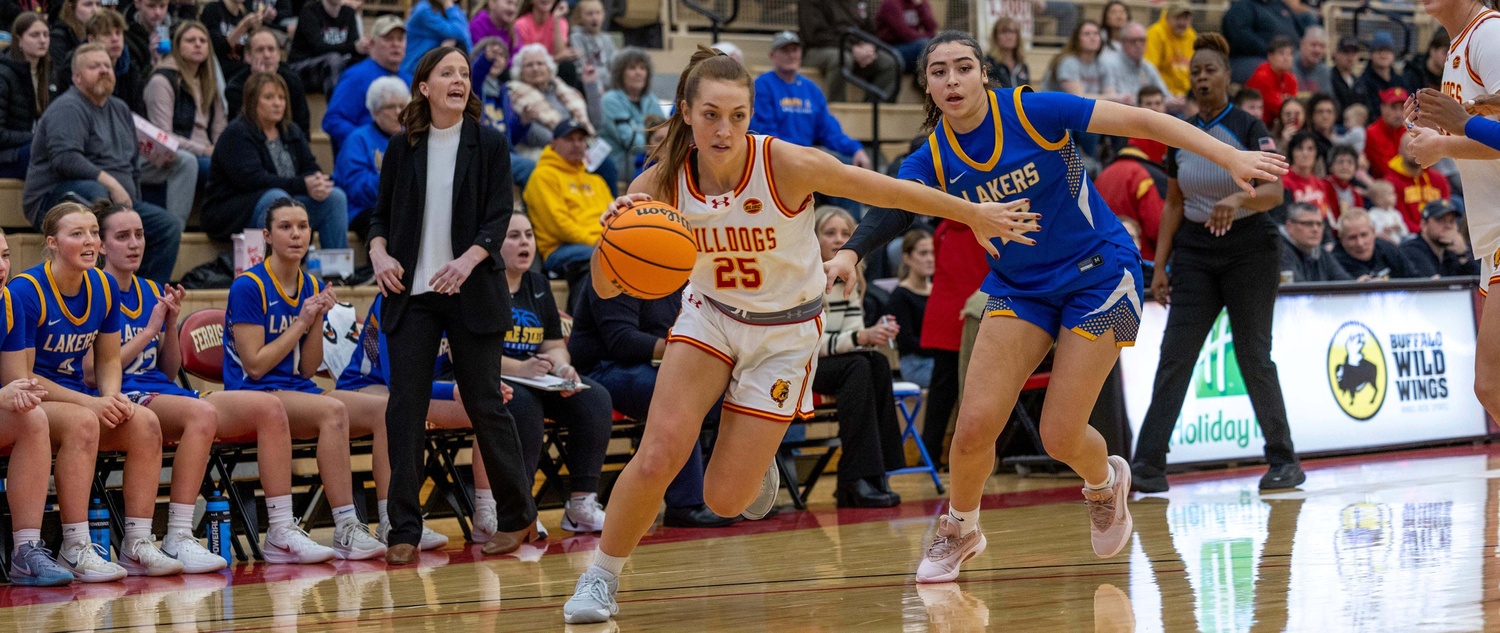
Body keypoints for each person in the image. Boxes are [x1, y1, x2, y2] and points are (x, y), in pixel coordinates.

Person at [562, 45, 1043, 624]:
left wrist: (972, 212)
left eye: (738, 115)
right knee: (660, 450)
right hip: (710, 317)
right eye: (711, 114)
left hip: (785, 335)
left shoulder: (784, 163)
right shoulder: (659, 182)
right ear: (686, 113)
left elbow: (888, 191)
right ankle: (600, 578)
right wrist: (614, 235)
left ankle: (752, 451)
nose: (724, 128)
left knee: (725, 500)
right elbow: (608, 289)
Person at [825, 30, 1287, 583]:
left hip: (1100, 274)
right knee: (973, 427)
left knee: (1060, 435)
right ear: (926, 84)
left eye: (964, 67)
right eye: (940, 71)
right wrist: (852, 253)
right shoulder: (935, 156)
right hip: (1021, 287)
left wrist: (1227, 154)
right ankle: (962, 526)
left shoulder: (1029, 111)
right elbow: (895, 205)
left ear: (983, 76)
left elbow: (1141, 122)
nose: (952, 80)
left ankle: (1103, 482)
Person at [367, 46, 540, 565]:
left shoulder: (488, 143)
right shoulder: (403, 148)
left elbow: (497, 215)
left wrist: (467, 261)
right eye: (448, 73)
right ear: (425, 86)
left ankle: (517, 516)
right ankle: (404, 527)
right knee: (405, 409)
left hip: (472, 291)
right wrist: (378, 253)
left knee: (485, 403)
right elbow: (378, 218)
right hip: (413, 296)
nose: (459, 79)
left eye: (465, 73)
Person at [93, 201, 328, 569]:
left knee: (269, 408)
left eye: (139, 234)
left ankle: (281, 531)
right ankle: (178, 535)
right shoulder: (95, 290)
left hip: (164, 392)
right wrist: (150, 332)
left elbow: (169, 369)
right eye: (122, 236)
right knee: (201, 414)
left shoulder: (151, 288)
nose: (135, 243)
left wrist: (169, 325)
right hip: (121, 397)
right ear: (102, 245)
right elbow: (92, 374)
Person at [1129, 33, 1300, 493]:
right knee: (1174, 356)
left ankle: (1284, 460)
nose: (1202, 77)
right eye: (1196, 71)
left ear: (1227, 75)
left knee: (1253, 356)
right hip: (1196, 254)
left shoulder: (1247, 128)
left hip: (1251, 251)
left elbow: (1273, 192)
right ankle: (1147, 467)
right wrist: (1160, 267)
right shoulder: (1178, 133)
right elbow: (1173, 204)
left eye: (1210, 70)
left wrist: (1234, 201)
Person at [225, 198, 396, 561]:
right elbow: (254, 366)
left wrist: (317, 317)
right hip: (252, 392)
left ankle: (392, 519)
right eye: (286, 227)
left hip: (294, 388)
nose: (296, 234)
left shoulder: (311, 283)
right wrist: (302, 321)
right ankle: (345, 526)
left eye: (302, 226)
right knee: (332, 410)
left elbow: (307, 369)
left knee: (386, 411)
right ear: (268, 236)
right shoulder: (248, 286)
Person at [11, 202, 176, 578]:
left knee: (146, 423)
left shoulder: (102, 284)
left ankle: (136, 544)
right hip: (35, 398)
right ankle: (75, 546)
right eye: (77, 234)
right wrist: (93, 402)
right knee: (85, 421)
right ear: (52, 242)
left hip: (79, 399)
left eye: (93, 233)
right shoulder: (27, 290)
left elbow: (108, 360)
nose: (89, 242)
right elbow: (23, 377)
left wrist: (112, 397)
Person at [335, 292, 517, 545]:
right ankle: (393, 520)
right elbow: (396, 381)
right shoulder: (391, 300)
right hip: (366, 387)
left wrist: (482, 387)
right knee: (393, 408)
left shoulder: (460, 301)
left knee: (486, 410)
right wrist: (454, 391)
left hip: (421, 390)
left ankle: (486, 512)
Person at [566, 275, 736, 529]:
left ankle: (728, 497)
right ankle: (686, 504)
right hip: (603, 369)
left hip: (657, 365)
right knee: (678, 393)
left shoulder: (685, 276)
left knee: (734, 391)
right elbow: (622, 341)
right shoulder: (614, 271)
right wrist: (688, 350)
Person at [496, 213, 614, 533]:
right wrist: (521, 368)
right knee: (523, 404)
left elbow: (552, 342)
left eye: (529, 235)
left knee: (595, 399)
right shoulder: (482, 286)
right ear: (494, 243)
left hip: (534, 377)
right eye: (514, 236)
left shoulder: (537, 284)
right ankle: (521, 510)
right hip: (493, 377)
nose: (524, 242)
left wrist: (563, 367)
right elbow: (471, 354)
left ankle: (581, 505)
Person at [23, 43, 180, 283]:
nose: (104, 70)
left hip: (114, 200)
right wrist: (112, 183)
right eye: (94, 66)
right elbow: (64, 159)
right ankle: (96, 290)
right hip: (54, 199)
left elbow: (132, 166)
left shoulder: (121, 109)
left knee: (167, 226)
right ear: (76, 77)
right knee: (97, 195)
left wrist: (129, 205)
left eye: (107, 65)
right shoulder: (68, 107)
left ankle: (141, 294)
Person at [0, 228, 82, 587]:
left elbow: (14, 379)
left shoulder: (5, 301)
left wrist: (19, 392)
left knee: (31, 416)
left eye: (4, 256)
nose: (2, 266)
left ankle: (26, 551)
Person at [812, 206, 907, 508]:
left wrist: (873, 334)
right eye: (830, 233)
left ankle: (874, 473)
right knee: (857, 366)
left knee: (875, 363)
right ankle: (856, 477)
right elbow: (808, 344)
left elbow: (853, 336)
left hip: (835, 363)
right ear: (814, 238)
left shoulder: (851, 275)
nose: (839, 240)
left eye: (846, 234)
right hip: (799, 365)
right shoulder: (805, 280)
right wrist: (860, 338)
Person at [206, 72, 349, 247]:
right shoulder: (237, 133)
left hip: (284, 203)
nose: (278, 103)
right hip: (236, 212)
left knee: (335, 198)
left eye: (282, 98)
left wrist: (317, 181)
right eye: (269, 97)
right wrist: (304, 185)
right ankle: (277, 271)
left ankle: (337, 272)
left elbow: (309, 166)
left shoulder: (291, 130)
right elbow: (253, 180)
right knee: (277, 200)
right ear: (253, 101)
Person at [750, 31, 871, 171]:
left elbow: (828, 129)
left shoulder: (811, 88)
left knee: (853, 165)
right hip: (775, 159)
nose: (791, 55)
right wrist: (801, 156)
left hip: (806, 158)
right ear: (773, 55)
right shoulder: (763, 85)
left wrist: (856, 149)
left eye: (794, 50)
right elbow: (766, 134)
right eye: (784, 50)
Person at [141, 20, 221, 225]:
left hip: (206, 152)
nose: (198, 44)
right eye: (191, 40)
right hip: (173, 154)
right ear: (177, 46)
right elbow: (163, 137)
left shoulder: (210, 83)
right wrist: (204, 150)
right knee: (206, 165)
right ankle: (182, 227)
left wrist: (219, 150)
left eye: (203, 40)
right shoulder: (162, 81)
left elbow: (221, 129)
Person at [523, 119, 611, 276]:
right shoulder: (543, 176)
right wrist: (599, 242)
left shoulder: (597, 181)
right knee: (608, 258)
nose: (577, 144)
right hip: (561, 248)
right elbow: (559, 226)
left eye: (581, 139)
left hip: (602, 244)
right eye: (569, 139)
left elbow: (615, 218)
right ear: (554, 143)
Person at [334, 76, 407, 238]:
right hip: (362, 210)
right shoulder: (357, 140)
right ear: (375, 112)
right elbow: (357, 189)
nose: (398, 112)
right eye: (390, 107)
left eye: (402, 106)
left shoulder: (410, 139)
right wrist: (394, 177)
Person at [323, 15, 409, 151]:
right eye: (388, 39)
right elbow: (332, 121)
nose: (396, 44)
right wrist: (367, 141)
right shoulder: (356, 76)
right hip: (367, 159)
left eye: (400, 39)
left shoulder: (409, 79)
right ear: (372, 43)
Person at [799, 0, 900, 102]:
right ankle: (837, 111)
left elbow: (871, 30)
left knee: (891, 62)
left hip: (855, 50)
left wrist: (870, 46)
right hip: (818, 50)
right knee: (841, 59)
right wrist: (851, 48)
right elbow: (815, 36)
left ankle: (872, 113)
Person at [472, 34, 535, 187]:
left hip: (503, 152)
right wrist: (485, 60)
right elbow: (475, 77)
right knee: (531, 167)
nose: (497, 59)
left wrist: (523, 123)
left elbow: (510, 137)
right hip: (482, 152)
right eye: (493, 54)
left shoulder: (504, 91)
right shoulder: (471, 86)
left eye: (502, 55)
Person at [508, 43, 593, 154]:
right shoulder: (514, 94)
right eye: (529, 65)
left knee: (605, 163)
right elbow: (532, 134)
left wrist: (592, 86)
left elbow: (595, 121)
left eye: (540, 63)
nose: (535, 68)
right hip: (542, 149)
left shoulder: (565, 91)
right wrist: (569, 145)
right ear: (519, 72)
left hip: (577, 144)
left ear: (549, 68)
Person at [0, 13, 57, 179]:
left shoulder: (50, 72)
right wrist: (37, 138)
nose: (42, 40)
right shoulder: (4, 75)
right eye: (35, 35)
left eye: (46, 35)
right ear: (18, 39)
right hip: (8, 156)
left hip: (35, 147)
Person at [226, 28, 311, 137]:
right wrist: (259, 81)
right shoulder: (235, 87)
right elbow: (251, 123)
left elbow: (303, 125)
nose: (266, 55)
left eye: (271, 49)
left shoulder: (293, 81)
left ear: (279, 55)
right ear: (248, 56)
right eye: (260, 50)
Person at [598, 47, 663, 187]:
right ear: (620, 73)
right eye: (632, 68)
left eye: (642, 68)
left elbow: (664, 132)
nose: (638, 72)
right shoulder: (610, 100)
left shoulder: (651, 99)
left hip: (651, 156)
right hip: (621, 162)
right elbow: (630, 141)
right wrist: (656, 142)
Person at [1096, 142, 1166, 261]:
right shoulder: (1141, 176)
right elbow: (1156, 228)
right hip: (1138, 261)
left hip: (1105, 259)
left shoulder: (1103, 174)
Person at [1221, 0, 1315, 83]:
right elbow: (1240, 35)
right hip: (1252, 58)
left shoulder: (1280, 5)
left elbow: (1301, 31)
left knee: (1318, 68)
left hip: (1291, 54)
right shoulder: (1242, 7)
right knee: (1282, 66)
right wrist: (1271, 51)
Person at [888, 229, 934, 387]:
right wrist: (941, 349)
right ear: (907, 258)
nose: (930, 259)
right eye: (923, 253)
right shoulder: (899, 295)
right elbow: (907, 341)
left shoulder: (938, 290)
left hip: (939, 358)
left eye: (933, 253)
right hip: (916, 364)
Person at [288, 0, 364, 95]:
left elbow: (353, 46)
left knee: (365, 59)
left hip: (335, 65)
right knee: (333, 59)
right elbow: (318, 47)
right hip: (301, 66)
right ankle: (336, 106)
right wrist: (354, 46)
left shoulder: (348, 12)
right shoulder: (309, 11)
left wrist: (364, 47)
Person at [1383, 133, 1451, 233]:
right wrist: (1425, 234)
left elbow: (1446, 210)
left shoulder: (1439, 179)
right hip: (1410, 236)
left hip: (1440, 233)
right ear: (1400, 150)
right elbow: (1400, 218)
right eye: (1410, 148)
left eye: (1419, 148)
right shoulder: (1391, 182)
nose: (1415, 152)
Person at [199, 0, 278, 81]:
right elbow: (215, 50)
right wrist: (243, 27)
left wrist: (256, 29)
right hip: (219, 70)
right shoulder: (213, 10)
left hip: (242, 69)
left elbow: (251, 51)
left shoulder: (244, 14)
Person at [1331, 208, 1420, 279]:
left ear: (1373, 232)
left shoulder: (1387, 248)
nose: (1360, 243)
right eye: (1352, 238)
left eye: (1364, 235)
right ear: (1341, 238)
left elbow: (1414, 278)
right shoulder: (1333, 263)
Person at [1101, 22, 1173, 108]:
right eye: (1133, 41)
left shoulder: (1148, 67)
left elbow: (1165, 95)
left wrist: (1176, 101)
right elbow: (1111, 98)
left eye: (1142, 40)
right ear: (1122, 42)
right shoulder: (1109, 63)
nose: (1138, 45)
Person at [1399, 199, 1478, 277]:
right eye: (1441, 220)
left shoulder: (1454, 252)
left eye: (1452, 221)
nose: (1448, 226)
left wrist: (1462, 255)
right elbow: (1433, 283)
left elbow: (1480, 282)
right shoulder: (1412, 250)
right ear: (1424, 225)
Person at [515, 0, 580, 92]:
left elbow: (561, 54)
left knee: (567, 67)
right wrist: (556, 58)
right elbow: (528, 61)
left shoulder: (561, 21)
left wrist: (556, 19)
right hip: (530, 70)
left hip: (551, 70)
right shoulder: (521, 24)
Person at [1279, 202, 1352, 281]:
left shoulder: (1321, 253)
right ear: (1289, 227)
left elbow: (1345, 283)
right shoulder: (1278, 253)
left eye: (1319, 224)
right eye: (1308, 224)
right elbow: (1296, 291)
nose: (1315, 229)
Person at [399, 0, 469, 78]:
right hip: (415, 71)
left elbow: (467, 42)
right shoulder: (424, 10)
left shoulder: (453, 10)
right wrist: (449, 4)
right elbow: (460, 33)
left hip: (434, 67)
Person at [1282, 131, 1337, 223]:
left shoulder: (1322, 185)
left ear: (1316, 154)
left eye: (1310, 149)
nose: (1305, 153)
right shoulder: (1283, 182)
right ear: (1292, 153)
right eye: (1299, 148)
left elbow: (1327, 217)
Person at [1144, 1, 1194, 98]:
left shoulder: (1192, 36)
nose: (1182, 22)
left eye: (1186, 18)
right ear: (1167, 17)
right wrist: (1168, 95)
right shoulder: (1155, 34)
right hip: (1162, 96)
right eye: (1178, 18)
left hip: (1186, 96)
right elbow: (1150, 69)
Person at [1243, 36, 1298, 125]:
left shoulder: (1291, 78)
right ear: (1270, 56)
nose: (1286, 58)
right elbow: (1280, 109)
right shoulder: (1262, 76)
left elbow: (1293, 107)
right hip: (1257, 124)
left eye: (1290, 54)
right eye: (1281, 53)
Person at [875, 0, 936, 74]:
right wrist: (928, 36)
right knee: (925, 45)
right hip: (890, 48)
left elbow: (932, 28)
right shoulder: (891, 3)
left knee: (937, 44)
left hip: (911, 45)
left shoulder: (918, 3)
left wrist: (921, 6)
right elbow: (904, 34)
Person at [1356, 32, 1409, 115]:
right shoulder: (1363, 82)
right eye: (1379, 50)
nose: (1383, 55)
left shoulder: (1400, 81)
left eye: (1387, 50)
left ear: (1393, 55)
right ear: (1371, 54)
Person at [569, 0, 614, 94]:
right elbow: (581, 67)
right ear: (581, 17)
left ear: (603, 15)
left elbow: (615, 63)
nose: (595, 18)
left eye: (598, 13)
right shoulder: (576, 37)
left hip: (609, 81)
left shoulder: (606, 38)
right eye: (590, 14)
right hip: (588, 82)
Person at [1364, 87, 1408, 178]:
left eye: (1402, 108)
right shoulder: (1373, 133)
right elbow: (1384, 169)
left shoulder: (1408, 131)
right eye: (1394, 108)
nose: (1399, 114)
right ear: (1382, 108)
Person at [49, 0, 96, 80]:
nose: (95, 10)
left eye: (98, 4)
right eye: (88, 5)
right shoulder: (58, 36)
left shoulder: (100, 34)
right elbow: (60, 73)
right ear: (71, 7)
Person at [123, 0, 172, 71]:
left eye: (162, 6)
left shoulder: (175, 31)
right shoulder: (127, 37)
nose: (157, 12)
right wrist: (151, 60)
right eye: (151, 6)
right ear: (137, 3)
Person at [984, 16, 1030, 89]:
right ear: (995, 36)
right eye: (1004, 32)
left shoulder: (1022, 65)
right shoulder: (989, 63)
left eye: (1012, 32)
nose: (1009, 36)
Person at [1325, 144, 1366, 217]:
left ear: (1355, 168)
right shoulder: (1323, 186)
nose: (1345, 166)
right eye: (1340, 162)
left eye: (1350, 162)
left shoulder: (1356, 195)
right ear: (1331, 167)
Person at [1330, 36, 1368, 114]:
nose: (1350, 57)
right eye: (1346, 52)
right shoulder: (1329, 77)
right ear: (1336, 54)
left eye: (1354, 53)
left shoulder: (1359, 82)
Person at [1291, 26, 1330, 96]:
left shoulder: (1324, 72)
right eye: (1313, 45)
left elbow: (1326, 100)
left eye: (1322, 46)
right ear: (1302, 44)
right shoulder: (1288, 66)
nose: (1317, 50)